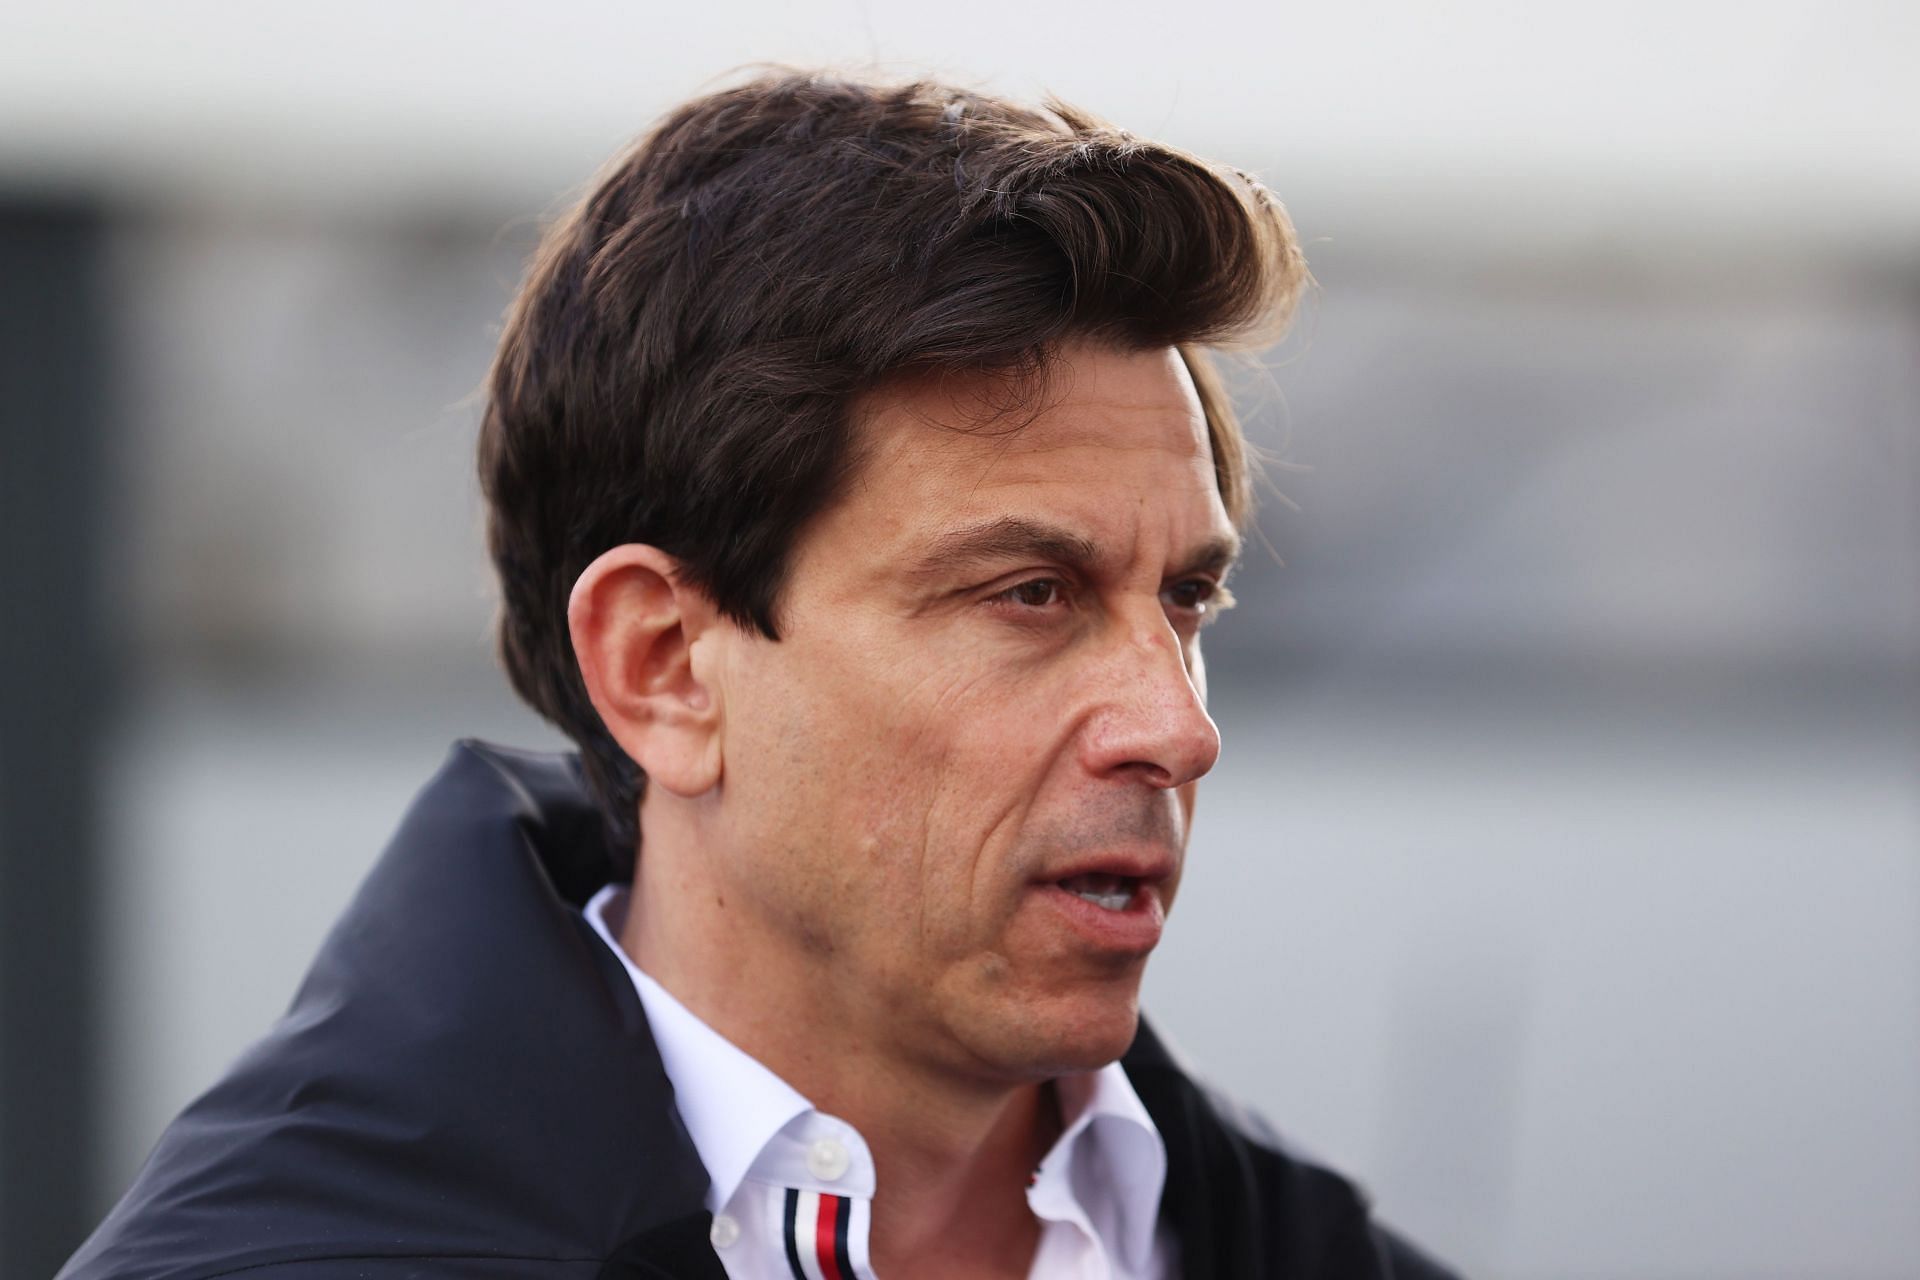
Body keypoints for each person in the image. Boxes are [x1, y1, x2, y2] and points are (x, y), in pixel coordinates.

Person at [62, 71, 1459, 1280]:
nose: (1177, 728)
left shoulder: (1280, 1242)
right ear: (665, 667)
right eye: (1029, 596)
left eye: (1185, 599)